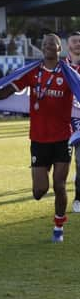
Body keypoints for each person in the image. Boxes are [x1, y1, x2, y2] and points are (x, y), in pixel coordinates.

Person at [0, 34, 72, 243]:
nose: (49, 47)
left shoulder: (69, 74)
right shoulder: (33, 72)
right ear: (42, 48)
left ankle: (58, 225)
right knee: (39, 191)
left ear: (60, 48)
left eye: (53, 44)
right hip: (39, 139)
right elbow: (8, 89)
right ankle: (42, 187)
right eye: (46, 44)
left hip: (62, 137)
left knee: (59, 185)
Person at [66, 32, 80, 212]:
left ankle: (78, 197)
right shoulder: (61, 68)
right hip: (62, 122)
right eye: (74, 42)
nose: (78, 44)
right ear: (67, 45)